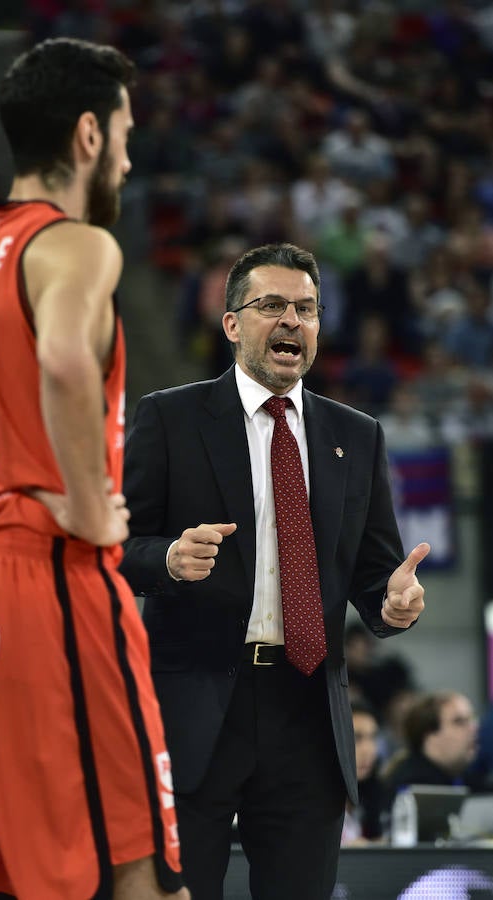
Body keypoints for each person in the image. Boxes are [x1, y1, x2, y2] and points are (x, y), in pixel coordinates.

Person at [0, 37, 189, 900]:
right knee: (137, 876)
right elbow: (63, 358)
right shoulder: (77, 246)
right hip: (40, 579)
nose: (128, 159)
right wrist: (91, 507)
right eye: (124, 135)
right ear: (89, 135)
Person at [120, 241, 430, 900]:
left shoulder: (357, 434)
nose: (292, 320)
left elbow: (374, 573)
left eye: (306, 309)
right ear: (232, 324)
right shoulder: (170, 417)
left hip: (308, 712)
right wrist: (168, 558)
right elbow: (115, 548)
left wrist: (391, 603)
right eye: (271, 306)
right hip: (197, 704)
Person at [382, 689, 481, 805]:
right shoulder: (414, 787)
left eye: (472, 719)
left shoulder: (467, 778)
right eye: (459, 722)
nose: (474, 728)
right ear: (429, 736)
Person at [341, 700, 387, 845]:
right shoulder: (312, 802)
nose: (369, 750)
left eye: (373, 738)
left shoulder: (372, 792)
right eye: (356, 738)